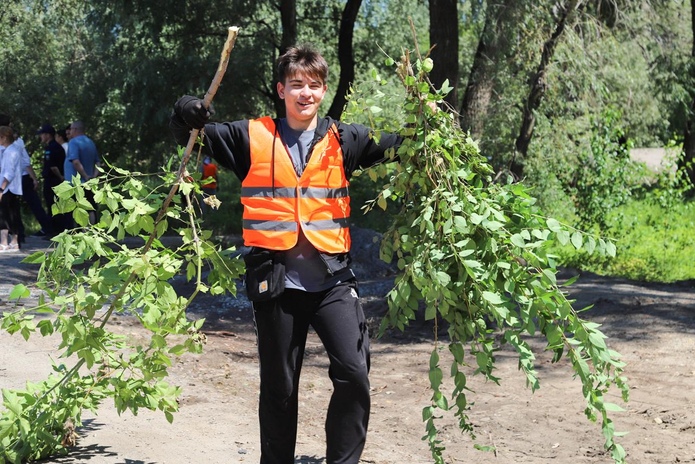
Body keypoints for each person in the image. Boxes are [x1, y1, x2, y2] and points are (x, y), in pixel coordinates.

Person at [170, 44, 403, 464]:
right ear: (281, 90)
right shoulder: (250, 135)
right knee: (280, 388)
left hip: (332, 280)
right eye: (297, 85)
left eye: (314, 85)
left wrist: (433, 135)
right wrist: (186, 109)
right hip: (275, 282)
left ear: (324, 90)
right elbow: (193, 134)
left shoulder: (344, 138)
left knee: (354, 373)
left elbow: (396, 145)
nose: (306, 93)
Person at [0, 114, 52, 239]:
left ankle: (16, 234)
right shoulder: (17, 140)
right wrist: (34, 178)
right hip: (20, 176)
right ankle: (43, 229)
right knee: (23, 205)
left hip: (8, 178)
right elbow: (25, 162)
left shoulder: (7, 141)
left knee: (8, 208)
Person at [65, 120, 100, 224]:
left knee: (77, 209)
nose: (69, 131)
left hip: (76, 183)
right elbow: (98, 163)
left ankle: (80, 233)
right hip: (88, 183)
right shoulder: (90, 142)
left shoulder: (73, 142)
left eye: (70, 129)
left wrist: (84, 175)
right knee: (90, 208)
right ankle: (91, 232)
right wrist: (93, 176)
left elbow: (75, 162)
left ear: (75, 129)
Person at [37, 124, 67, 234]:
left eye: (42, 135)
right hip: (54, 180)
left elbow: (54, 167)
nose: (41, 137)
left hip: (53, 180)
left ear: (48, 135)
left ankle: (55, 230)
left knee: (53, 205)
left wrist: (60, 177)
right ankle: (55, 229)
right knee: (54, 205)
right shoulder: (56, 146)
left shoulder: (52, 147)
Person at [0, 126, 24, 251]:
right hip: (13, 188)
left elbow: (8, 173)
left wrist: (1, 189)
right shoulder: (13, 150)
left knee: (3, 214)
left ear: (3, 137)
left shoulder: (10, 152)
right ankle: (14, 241)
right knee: (13, 214)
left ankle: (4, 241)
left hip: (8, 188)